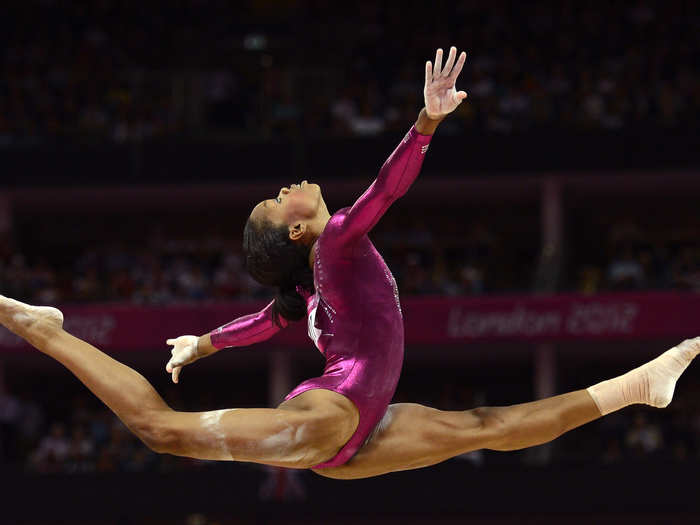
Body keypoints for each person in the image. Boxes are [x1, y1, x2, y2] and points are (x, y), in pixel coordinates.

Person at [1, 47, 699, 480]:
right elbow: (385, 190)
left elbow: (264, 320)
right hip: (333, 420)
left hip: (355, 435)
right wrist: (425, 124)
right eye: (280, 201)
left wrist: (207, 340)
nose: (287, 187)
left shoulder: (314, 287)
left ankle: (638, 385)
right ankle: (44, 328)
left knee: (490, 428)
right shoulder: (334, 239)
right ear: (300, 228)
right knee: (161, 432)